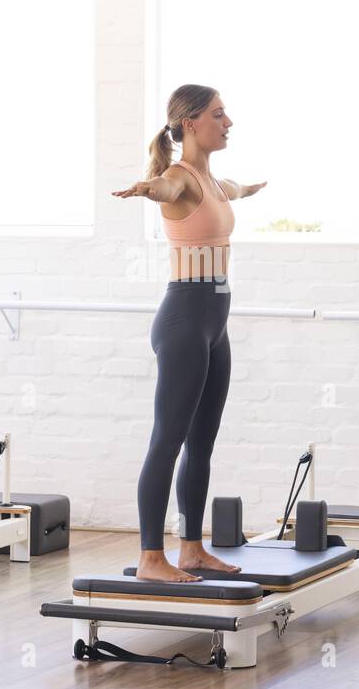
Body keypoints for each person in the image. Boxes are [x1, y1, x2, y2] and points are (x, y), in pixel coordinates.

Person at [112, 84, 266, 583]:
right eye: (219, 115)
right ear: (192, 123)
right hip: (183, 320)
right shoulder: (179, 178)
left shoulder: (216, 183)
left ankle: (192, 549)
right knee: (168, 440)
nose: (229, 123)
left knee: (202, 443)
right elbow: (167, 191)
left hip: (214, 324)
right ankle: (151, 558)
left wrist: (251, 189)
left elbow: (235, 191)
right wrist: (145, 188)